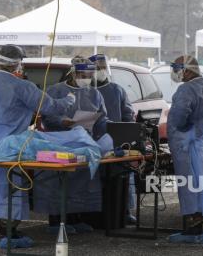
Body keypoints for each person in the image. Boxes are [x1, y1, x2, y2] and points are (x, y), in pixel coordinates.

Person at [0, 44, 75, 248]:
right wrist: (68, 100)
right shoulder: (21, 86)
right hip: (11, 148)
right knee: (12, 187)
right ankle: (9, 232)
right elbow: (48, 106)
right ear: (18, 64)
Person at [35, 56, 108, 234]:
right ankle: (55, 221)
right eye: (84, 74)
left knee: (80, 183)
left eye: (91, 74)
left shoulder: (94, 93)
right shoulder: (56, 91)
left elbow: (102, 117)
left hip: (84, 143)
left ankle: (76, 219)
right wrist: (63, 122)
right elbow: (47, 115)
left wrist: (104, 130)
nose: (88, 78)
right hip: (61, 142)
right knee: (58, 182)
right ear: (74, 73)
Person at [167, 55, 203, 244]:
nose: (175, 73)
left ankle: (194, 232)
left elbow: (178, 119)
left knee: (191, 188)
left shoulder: (186, 90)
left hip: (187, 146)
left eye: (178, 68)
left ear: (188, 69)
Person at [89, 53, 137, 223]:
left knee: (122, 176)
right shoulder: (87, 91)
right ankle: (95, 213)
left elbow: (128, 115)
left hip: (115, 142)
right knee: (95, 180)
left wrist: (127, 134)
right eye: (97, 67)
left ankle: (124, 210)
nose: (101, 70)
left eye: (103, 66)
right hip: (92, 142)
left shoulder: (117, 90)